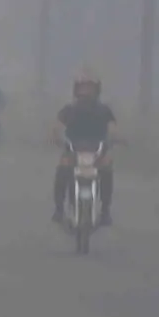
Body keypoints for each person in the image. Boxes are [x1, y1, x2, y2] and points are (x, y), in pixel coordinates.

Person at [52, 68, 116, 226]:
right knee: (62, 170)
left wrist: (115, 140)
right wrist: (54, 137)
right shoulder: (69, 110)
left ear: (97, 90)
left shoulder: (104, 110)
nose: (86, 92)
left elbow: (113, 128)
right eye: (82, 88)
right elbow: (57, 127)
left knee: (107, 170)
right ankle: (59, 209)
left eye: (90, 88)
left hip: (98, 151)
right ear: (76, 90)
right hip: (73, 150)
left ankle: (105, 210)